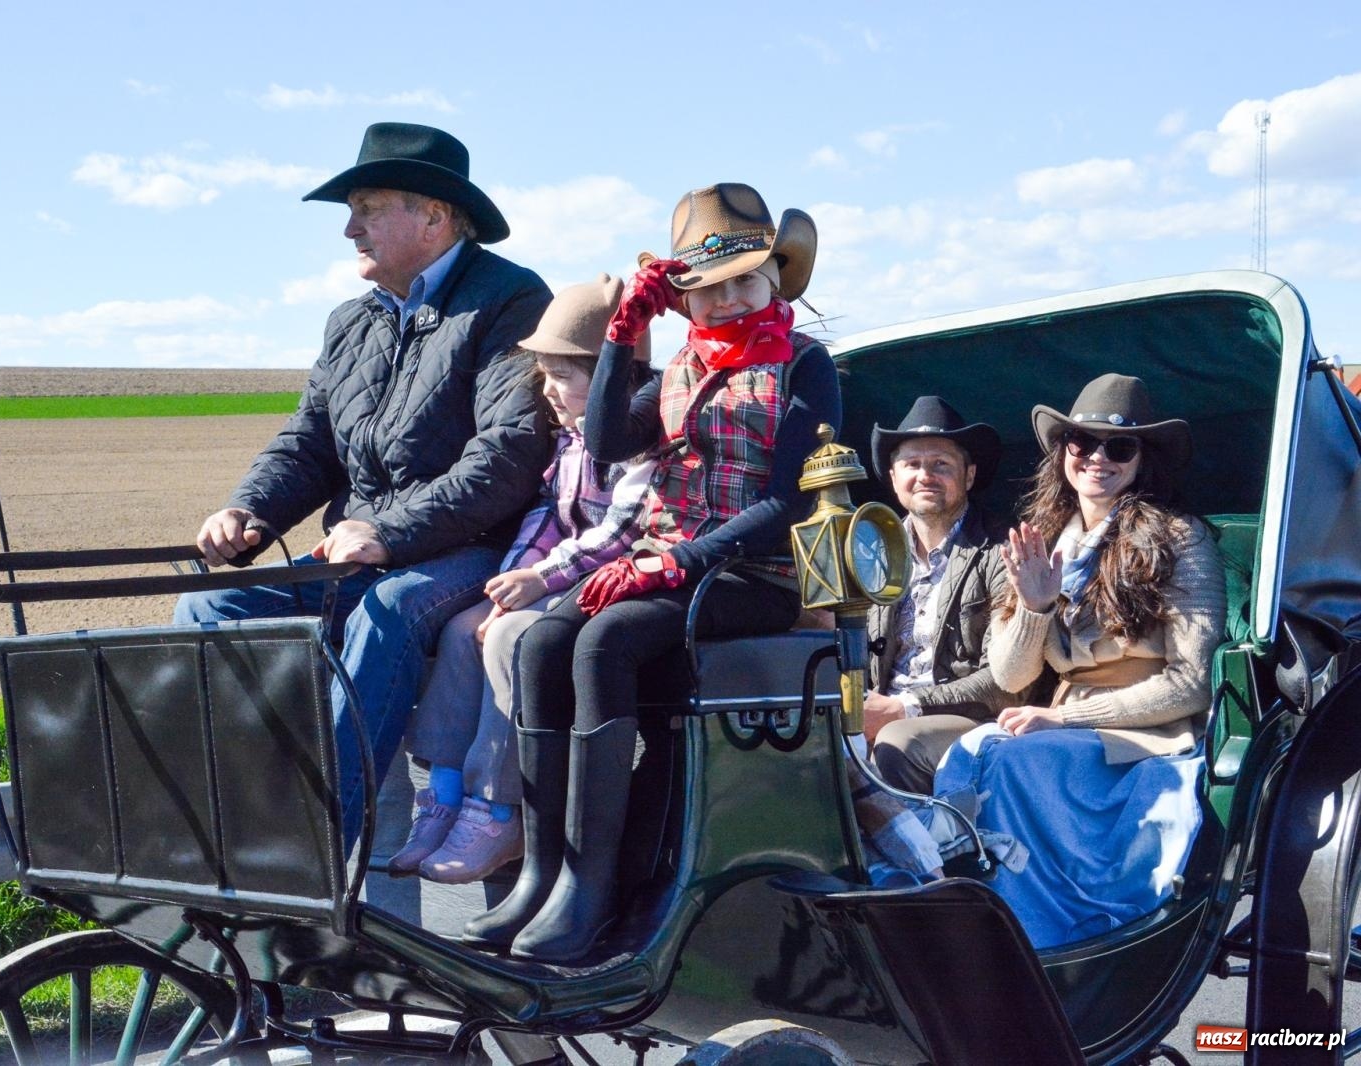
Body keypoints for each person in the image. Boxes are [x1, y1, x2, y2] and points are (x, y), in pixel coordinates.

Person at [462, 183, 843, 962]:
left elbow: (786, 504)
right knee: (542, 643)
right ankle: (542, 875)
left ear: (775, 278)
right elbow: (604, 441)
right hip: (667, 564)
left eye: (744, 281)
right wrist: (621, 339)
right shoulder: (675, 369)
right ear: (684, 299)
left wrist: (676, 562)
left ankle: (592, 891)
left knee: (605, 643)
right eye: (708, 288)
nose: (729, 299)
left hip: (755, 575)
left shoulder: (806, 365)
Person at [174, 122, 552, 850]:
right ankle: (235, 815)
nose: (350, 229)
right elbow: (310, 441)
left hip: (471, 549)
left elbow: (510, 452)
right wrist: (249, 508)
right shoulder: (351, 322)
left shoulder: (510, 299)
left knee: (390, 608)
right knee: (210, 605)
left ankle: (319, 840)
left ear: (435, 216)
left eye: (368, 209)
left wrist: (390, 532)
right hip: (360, 549)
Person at [932, 373, 1226, 948]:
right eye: (1083, 442)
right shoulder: (1042, 541)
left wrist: (1064, 718)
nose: (1097, 458)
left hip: (1146, 734)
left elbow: (1191, 684)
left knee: (1015, 761)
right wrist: (1036, 607)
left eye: (1119, 447)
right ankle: (971, 910)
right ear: (1063, 451)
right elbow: (1011, 676)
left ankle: (1037, 933)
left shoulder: (1179, 539)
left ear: (1142, 459)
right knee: (967, 754)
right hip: (1060, 723)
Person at [388, 276, 657, 884]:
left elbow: (621, 531)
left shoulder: (644, 440)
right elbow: (547, 516)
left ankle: (496, 809)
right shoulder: (570, 439)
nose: (547, 390)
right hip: (558, 574)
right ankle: (444, 794)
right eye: (544, 374)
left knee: (514, 641)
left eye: (561, 375)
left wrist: (539, 578)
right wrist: (511, 581)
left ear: (614, 377)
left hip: (612, 580)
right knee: (466, 631)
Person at [864, 396, 1045, 793]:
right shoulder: (870, 551)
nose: (925, 475)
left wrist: (904, 708)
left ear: (969, 476)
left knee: (896, 744)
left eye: (941, 464)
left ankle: (925, 837)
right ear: (893, 477)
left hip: (973, 720)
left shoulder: (1003, 551)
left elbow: (1008, 685)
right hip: (877, 711)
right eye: (912, 464)